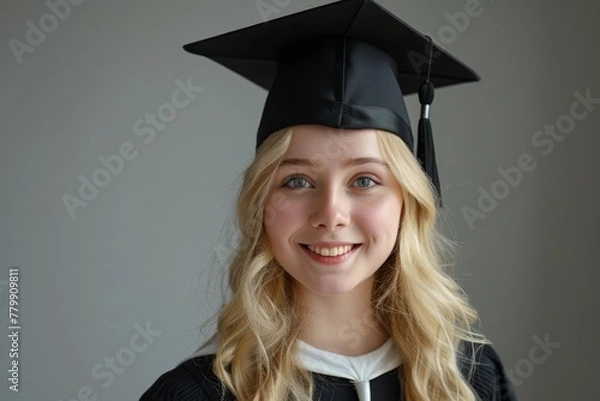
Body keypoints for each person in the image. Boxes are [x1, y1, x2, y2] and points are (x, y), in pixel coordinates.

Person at [140, 1, 519, 400]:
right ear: (261, 203)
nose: (331, 214)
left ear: (408, 200)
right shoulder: (199, 394)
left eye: (365, 180)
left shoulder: (470, 378)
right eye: (298, 180)